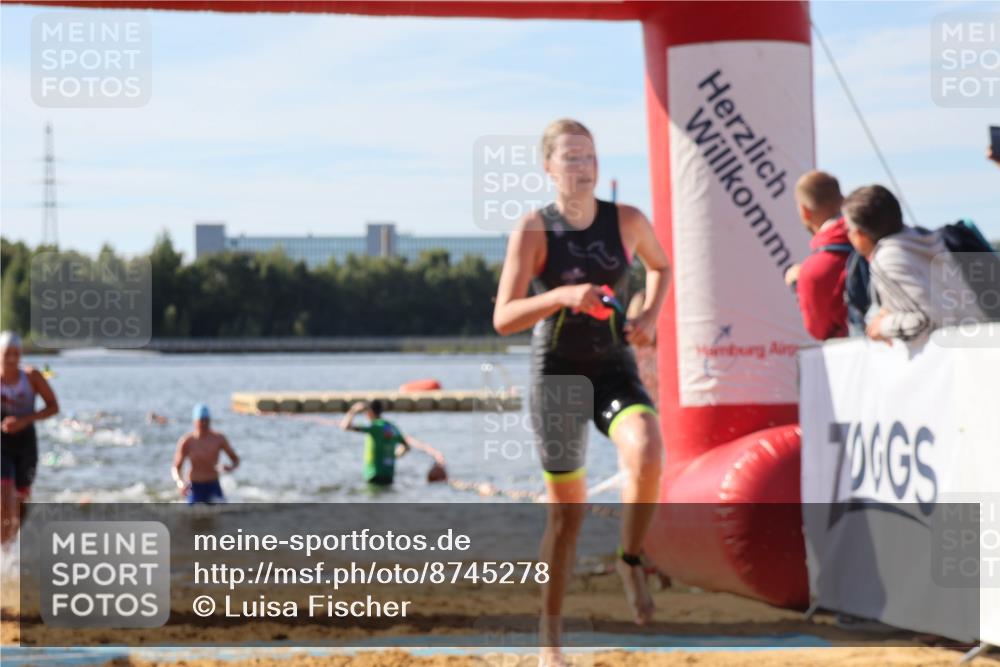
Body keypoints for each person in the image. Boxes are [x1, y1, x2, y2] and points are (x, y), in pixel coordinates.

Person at [492, 119, 671, 666]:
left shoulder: (629, 220)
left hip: (614, 366)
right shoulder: (533, 229)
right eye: (570, 158)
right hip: (559, 374)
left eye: (589, 156)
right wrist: (564, 295)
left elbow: (660, 267)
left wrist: (647, 314)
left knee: (647, 447)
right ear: (549, 168)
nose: (582, 166)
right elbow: (503, 318)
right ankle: (550, 643)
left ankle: (630, 557)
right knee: (567, 518)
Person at [843, 185, 988, 343]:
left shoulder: (887, 257)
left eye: (849, 229)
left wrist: (883, 326)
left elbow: (927, 319)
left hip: (953, 354)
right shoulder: (926, 239)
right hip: (978, 341)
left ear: (859, 234)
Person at [1, 331, 59, 547]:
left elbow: (54, 407)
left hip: (26, 445)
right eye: (7, 353)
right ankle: (3, 550)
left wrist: (25, 420)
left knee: (20, 502)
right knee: (4, 498)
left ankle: (11, 542)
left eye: (16, 353)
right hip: (2, 445)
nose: (11, 359)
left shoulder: (31, 376)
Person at [784, 171, 857, 340]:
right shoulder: (873, 237)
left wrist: (798, 283)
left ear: (804, 210)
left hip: (858, 360)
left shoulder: (815, 269)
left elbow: (819, 330)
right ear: (842, 200)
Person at [339, 400, 440, 486]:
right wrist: (393, 456)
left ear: (369, 412)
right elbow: (406, 447)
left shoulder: (374, 427)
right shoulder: (392, 428)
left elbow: (345, 426)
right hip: (389, 474)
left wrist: (353, 410)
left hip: (374, 474)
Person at [171, 404, 239, 504]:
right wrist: (180, 483)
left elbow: (235, 460)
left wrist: (229, 467)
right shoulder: (187, 441)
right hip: (195, 486)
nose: (204, 424)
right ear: (195, 421)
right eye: (201, 420)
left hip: (213, 484)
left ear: (210, 421)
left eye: (206, 420)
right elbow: (176, 467)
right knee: (192, 515)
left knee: (224, 513)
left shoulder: (219, 439)